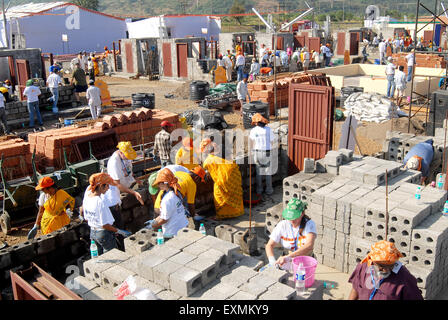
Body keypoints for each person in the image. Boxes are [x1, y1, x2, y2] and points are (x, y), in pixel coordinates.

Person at [348, 240, 423, 300]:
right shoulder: (362, 268)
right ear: (372, 262)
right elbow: (356, 288)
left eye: (390, 266)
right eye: (381, 266)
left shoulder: (405, 278)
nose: (386, 270)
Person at [82, 173, 131, 255]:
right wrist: (119, 231)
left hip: (93, 233)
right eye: (107, 185)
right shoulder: (100, 202)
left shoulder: (87, 196)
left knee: (99, 258)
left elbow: (86, 218)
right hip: (103, 234)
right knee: (111, 256)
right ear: (101, 186)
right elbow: (104, 225)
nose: (108, 188)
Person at [104, 142, 144, 240]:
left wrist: (136, 178)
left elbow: (129, 171)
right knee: (118, 224)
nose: (128, 158)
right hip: (117, 192)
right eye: (127, 156)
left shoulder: (126, 157)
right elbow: (117, 184)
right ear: (121, 153)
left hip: (125, 185)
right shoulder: (114, 162)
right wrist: (133, 192)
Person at [199, 138, 244, 220]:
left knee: (219, 196)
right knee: (234, 194)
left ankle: (221, 216)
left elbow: (206, 171)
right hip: (234, 174)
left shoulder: (208, 161)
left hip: (223, 179)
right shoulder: (220, 149)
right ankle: (237, 212)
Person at [265, 198, 316, 268]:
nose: (292, 220)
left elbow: (309, 246)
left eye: (295, 217)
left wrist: (288, 257)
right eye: (290, 217)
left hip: (305, 262)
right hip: (286, 262)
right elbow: (269, 245)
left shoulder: (309, 224)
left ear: (302, 213)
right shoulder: (282, 225)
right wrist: (272, 261)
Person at [145, 168, 189, 238]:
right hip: (182, 226)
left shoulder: (168, 199)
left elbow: (165, 219)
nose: (158, 186)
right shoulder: (175, 191)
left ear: (164, 183)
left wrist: (153, 226)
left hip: (174, 232)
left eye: (159, 183)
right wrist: (154, 220)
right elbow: (165, 213)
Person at [249, 113, 275, 197]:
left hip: (257, 152)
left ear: (256, 122)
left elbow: (251, 142)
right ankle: (269, 190)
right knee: (268, 172)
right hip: (267, 152)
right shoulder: (268, 129)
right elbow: (272, 141)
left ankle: (259, 190)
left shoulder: (253, 131)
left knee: (259, 172)